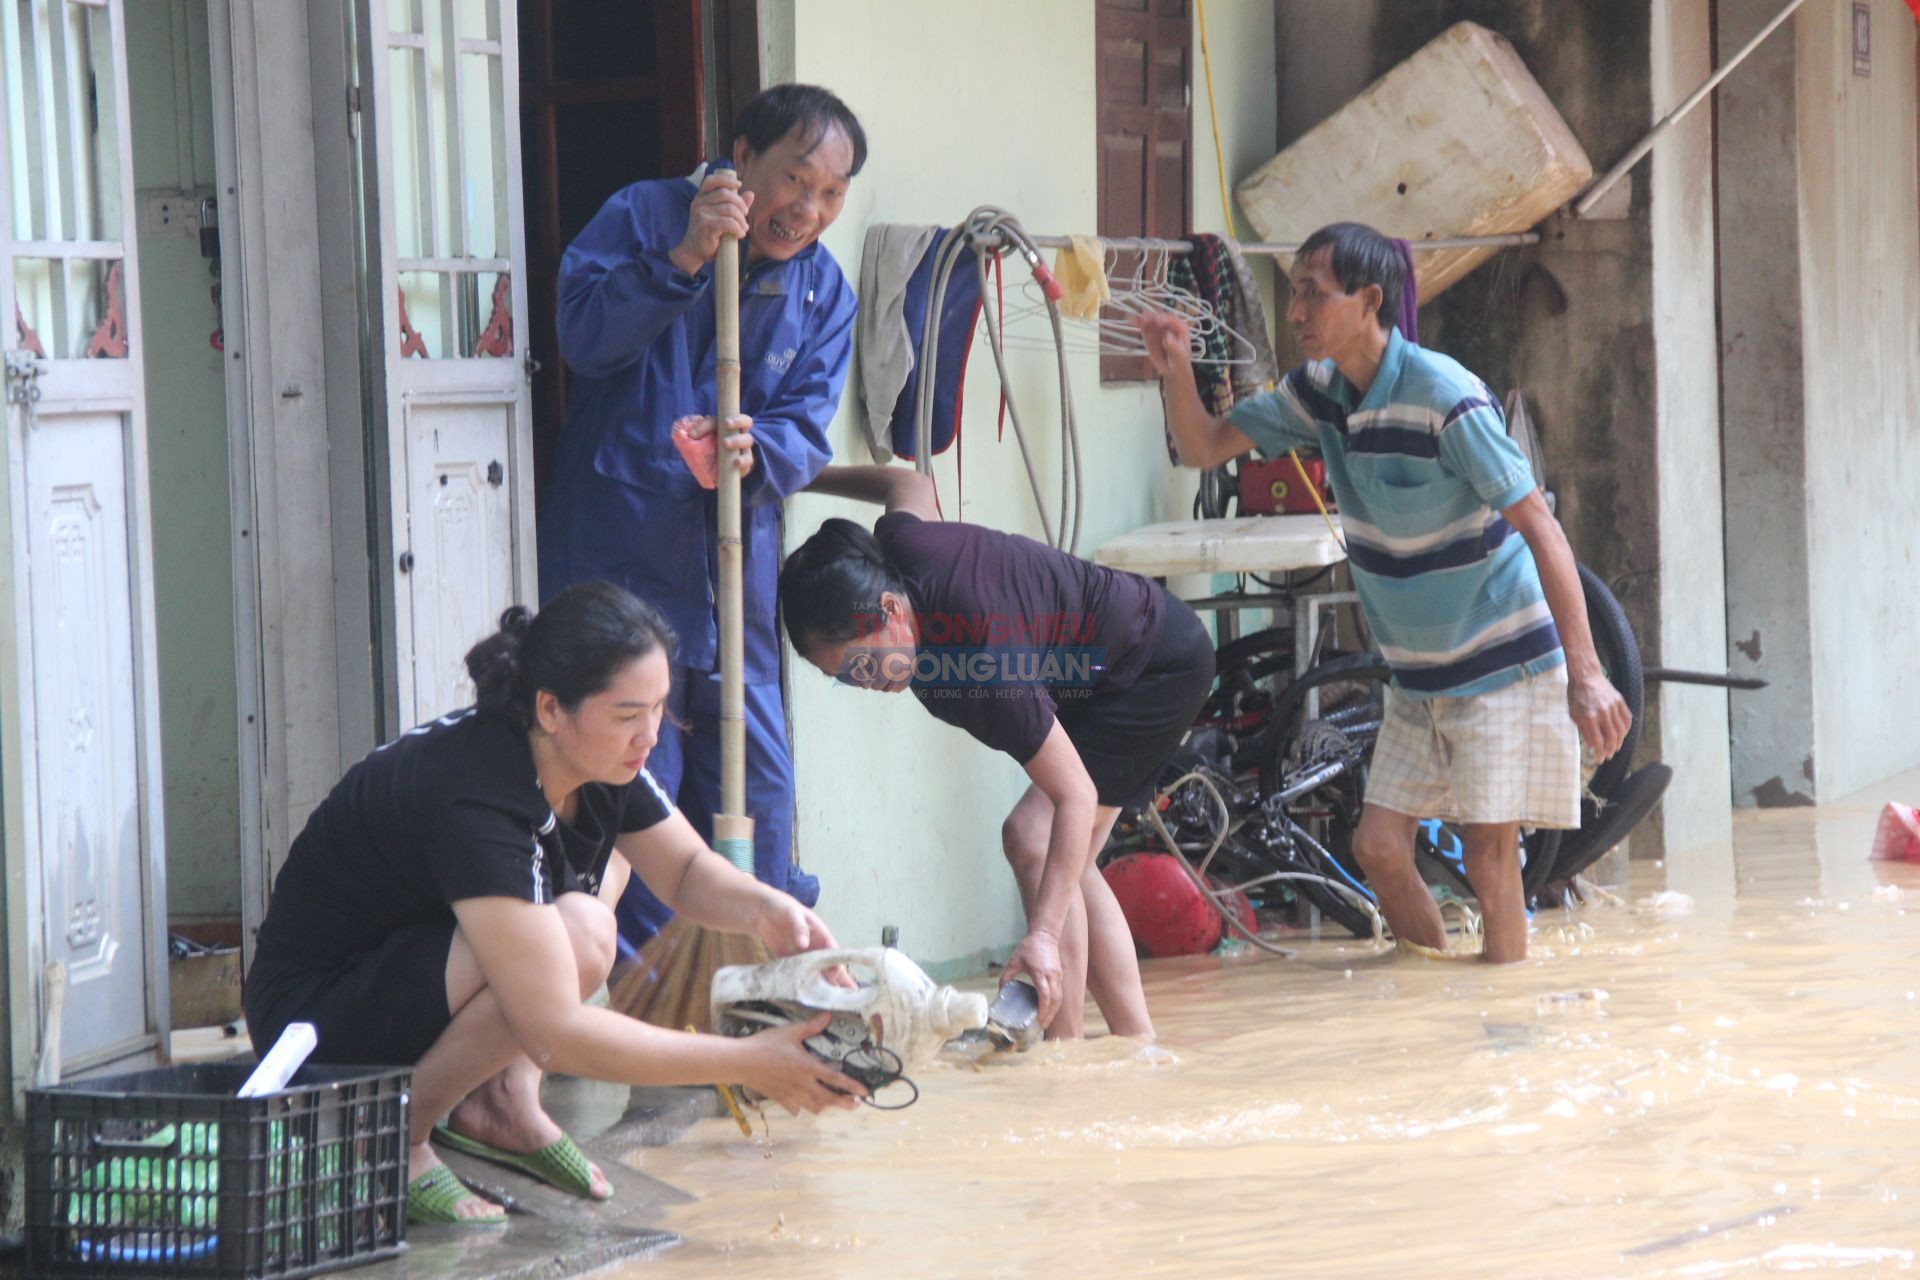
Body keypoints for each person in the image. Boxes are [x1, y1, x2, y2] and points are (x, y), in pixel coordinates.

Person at [243, 583, 864, 1226]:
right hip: (312, 1029)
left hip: (407, 971)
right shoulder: (481, 796)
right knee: (578, 935)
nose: (649, 734)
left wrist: (770, 913)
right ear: (550, 708)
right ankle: (394, 1137)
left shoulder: (599, 760)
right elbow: (555, 1029)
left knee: (583, 927)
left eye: (658, 708)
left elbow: (682, 870)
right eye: (628, 714)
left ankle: (502, 1104)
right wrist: (747, 1062)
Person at [1137, 221, 1632, 963]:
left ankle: (1507, 1031)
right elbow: (1204, 446)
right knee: (1377, 847)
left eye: (1312, 294)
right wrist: (1174, 365)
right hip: (1419, 676)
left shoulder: (1448, 398)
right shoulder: (1317, 395)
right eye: (1293, 293)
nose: (1295, 312)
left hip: (1502, 666)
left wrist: (1587, 673)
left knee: (1489, 857)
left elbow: (1542, 527)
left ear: (1370, 301)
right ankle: (1439, 995)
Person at [538, 84, 866, 955]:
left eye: (831, 194)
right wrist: (685, 257)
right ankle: (641, 1021)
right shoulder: (646, 217)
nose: (808, 209)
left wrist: (763, 454)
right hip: (621, 561)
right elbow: (583, 339)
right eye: (795, 179)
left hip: (734, 584)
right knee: (636, 793)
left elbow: (806, 423)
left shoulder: (823, 291)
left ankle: (759, 1011)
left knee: (758, 798)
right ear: (742, 155)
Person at [778, 466, 1216, 1038]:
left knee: (1035, 838)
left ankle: (1066, 1058)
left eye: (864, 663)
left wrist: (1039, 937)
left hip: (1150, 669)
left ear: (888, 610)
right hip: (1097, 672)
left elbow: (1075, 795)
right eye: (849, 678)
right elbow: (905, 483)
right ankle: (1134, 1049)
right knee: (1069, 866)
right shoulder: (897, 552)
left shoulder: (981, 653)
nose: (869, 684)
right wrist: (803, 472)